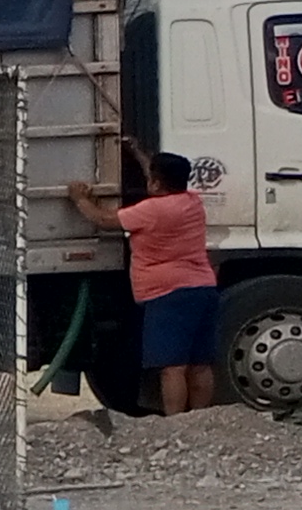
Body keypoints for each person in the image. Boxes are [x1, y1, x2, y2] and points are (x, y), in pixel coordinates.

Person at [71, 146, 220, 416]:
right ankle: (201, 419)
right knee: (200, 364)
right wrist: (140, 154)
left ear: (156, 183)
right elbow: (159, 179)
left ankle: (176, 422)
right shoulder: (192, 202)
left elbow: (104, 220)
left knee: (172, 367)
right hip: (203, 288)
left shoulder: (151, 211)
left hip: (168, 294)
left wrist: (80, 199)